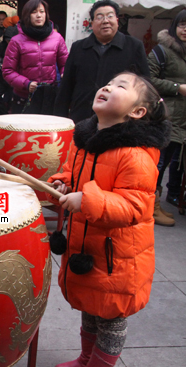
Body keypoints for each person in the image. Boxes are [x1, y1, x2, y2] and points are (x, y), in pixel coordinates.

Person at [48, 72, 171, 367]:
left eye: (120, 86)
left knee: (111, 318)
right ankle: (85, 359)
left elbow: (135, 206)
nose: (107, 86)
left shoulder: (136, 154)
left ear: (137, 112)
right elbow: (70, 172)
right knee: (90, 309)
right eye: (108, 82)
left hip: (117, 256)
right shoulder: (83, 140)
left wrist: (86, 199)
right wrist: (61, 184)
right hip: (87, 246)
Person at [54, 0, 150, 123]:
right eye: (99, 17)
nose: (105, 21)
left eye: (110, 16)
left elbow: (145, 84)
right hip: (82, 117)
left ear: (117, 19)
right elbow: (66, 86)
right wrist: (59, 119)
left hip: (119, 119)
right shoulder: (79, 47)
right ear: (92, 23)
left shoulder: (134, 46)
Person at [148, 9, 186, 226]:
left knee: (173, 162)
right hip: (166, 117)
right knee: (158, 163)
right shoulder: (162, 51)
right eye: (182, 25)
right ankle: (152, 205)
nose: (185, 29)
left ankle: (159, 203)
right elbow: (148, 78)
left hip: (183, 119)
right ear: (175, 27)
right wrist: (177, 87)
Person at [2, 0, 68, 114]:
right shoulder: (16, 41)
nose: (39, 15)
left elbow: (65, 64)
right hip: (23, 97)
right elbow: (7, 70)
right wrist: (26, 84)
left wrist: (64, 74)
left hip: (49, 95)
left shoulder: (57, 38)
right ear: (27, 15)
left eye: (42, 12)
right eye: (34, 12)